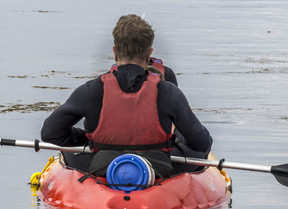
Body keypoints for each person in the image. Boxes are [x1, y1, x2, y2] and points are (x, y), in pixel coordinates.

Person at [41, 14, 212, 174]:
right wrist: (176, 141)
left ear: (115, 52)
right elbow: (202, 143)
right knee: (196, 146)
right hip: (158, 168)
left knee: (66, 151)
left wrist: (85, 139)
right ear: (148, 54)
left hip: (101, 166)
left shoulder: (91, 90)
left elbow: (50, 133)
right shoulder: (169, 92)